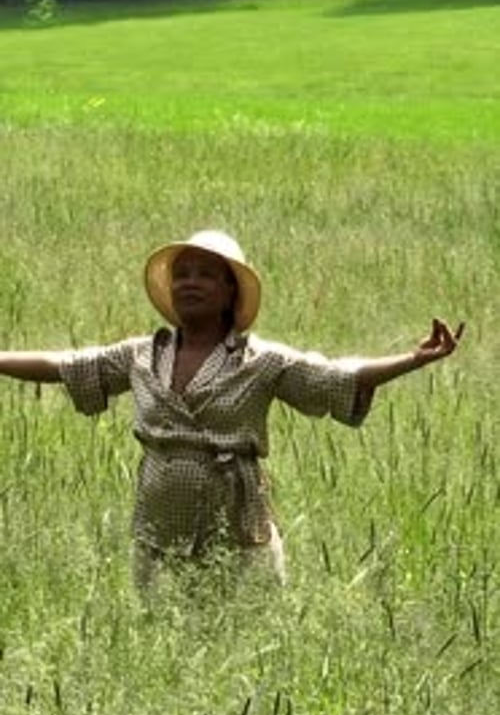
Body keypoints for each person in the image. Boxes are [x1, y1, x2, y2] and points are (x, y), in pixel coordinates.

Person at [0, 230, 464, 586]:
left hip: (238, 536)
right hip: (158, 531)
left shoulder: (260, 361)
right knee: (163, 640)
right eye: (181, 274)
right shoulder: (142, 354)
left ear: (229, 292)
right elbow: (66, 365)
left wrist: (413, 360)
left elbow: (338, 375)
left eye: (205, 274)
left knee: (242, 633)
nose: (189, 283)